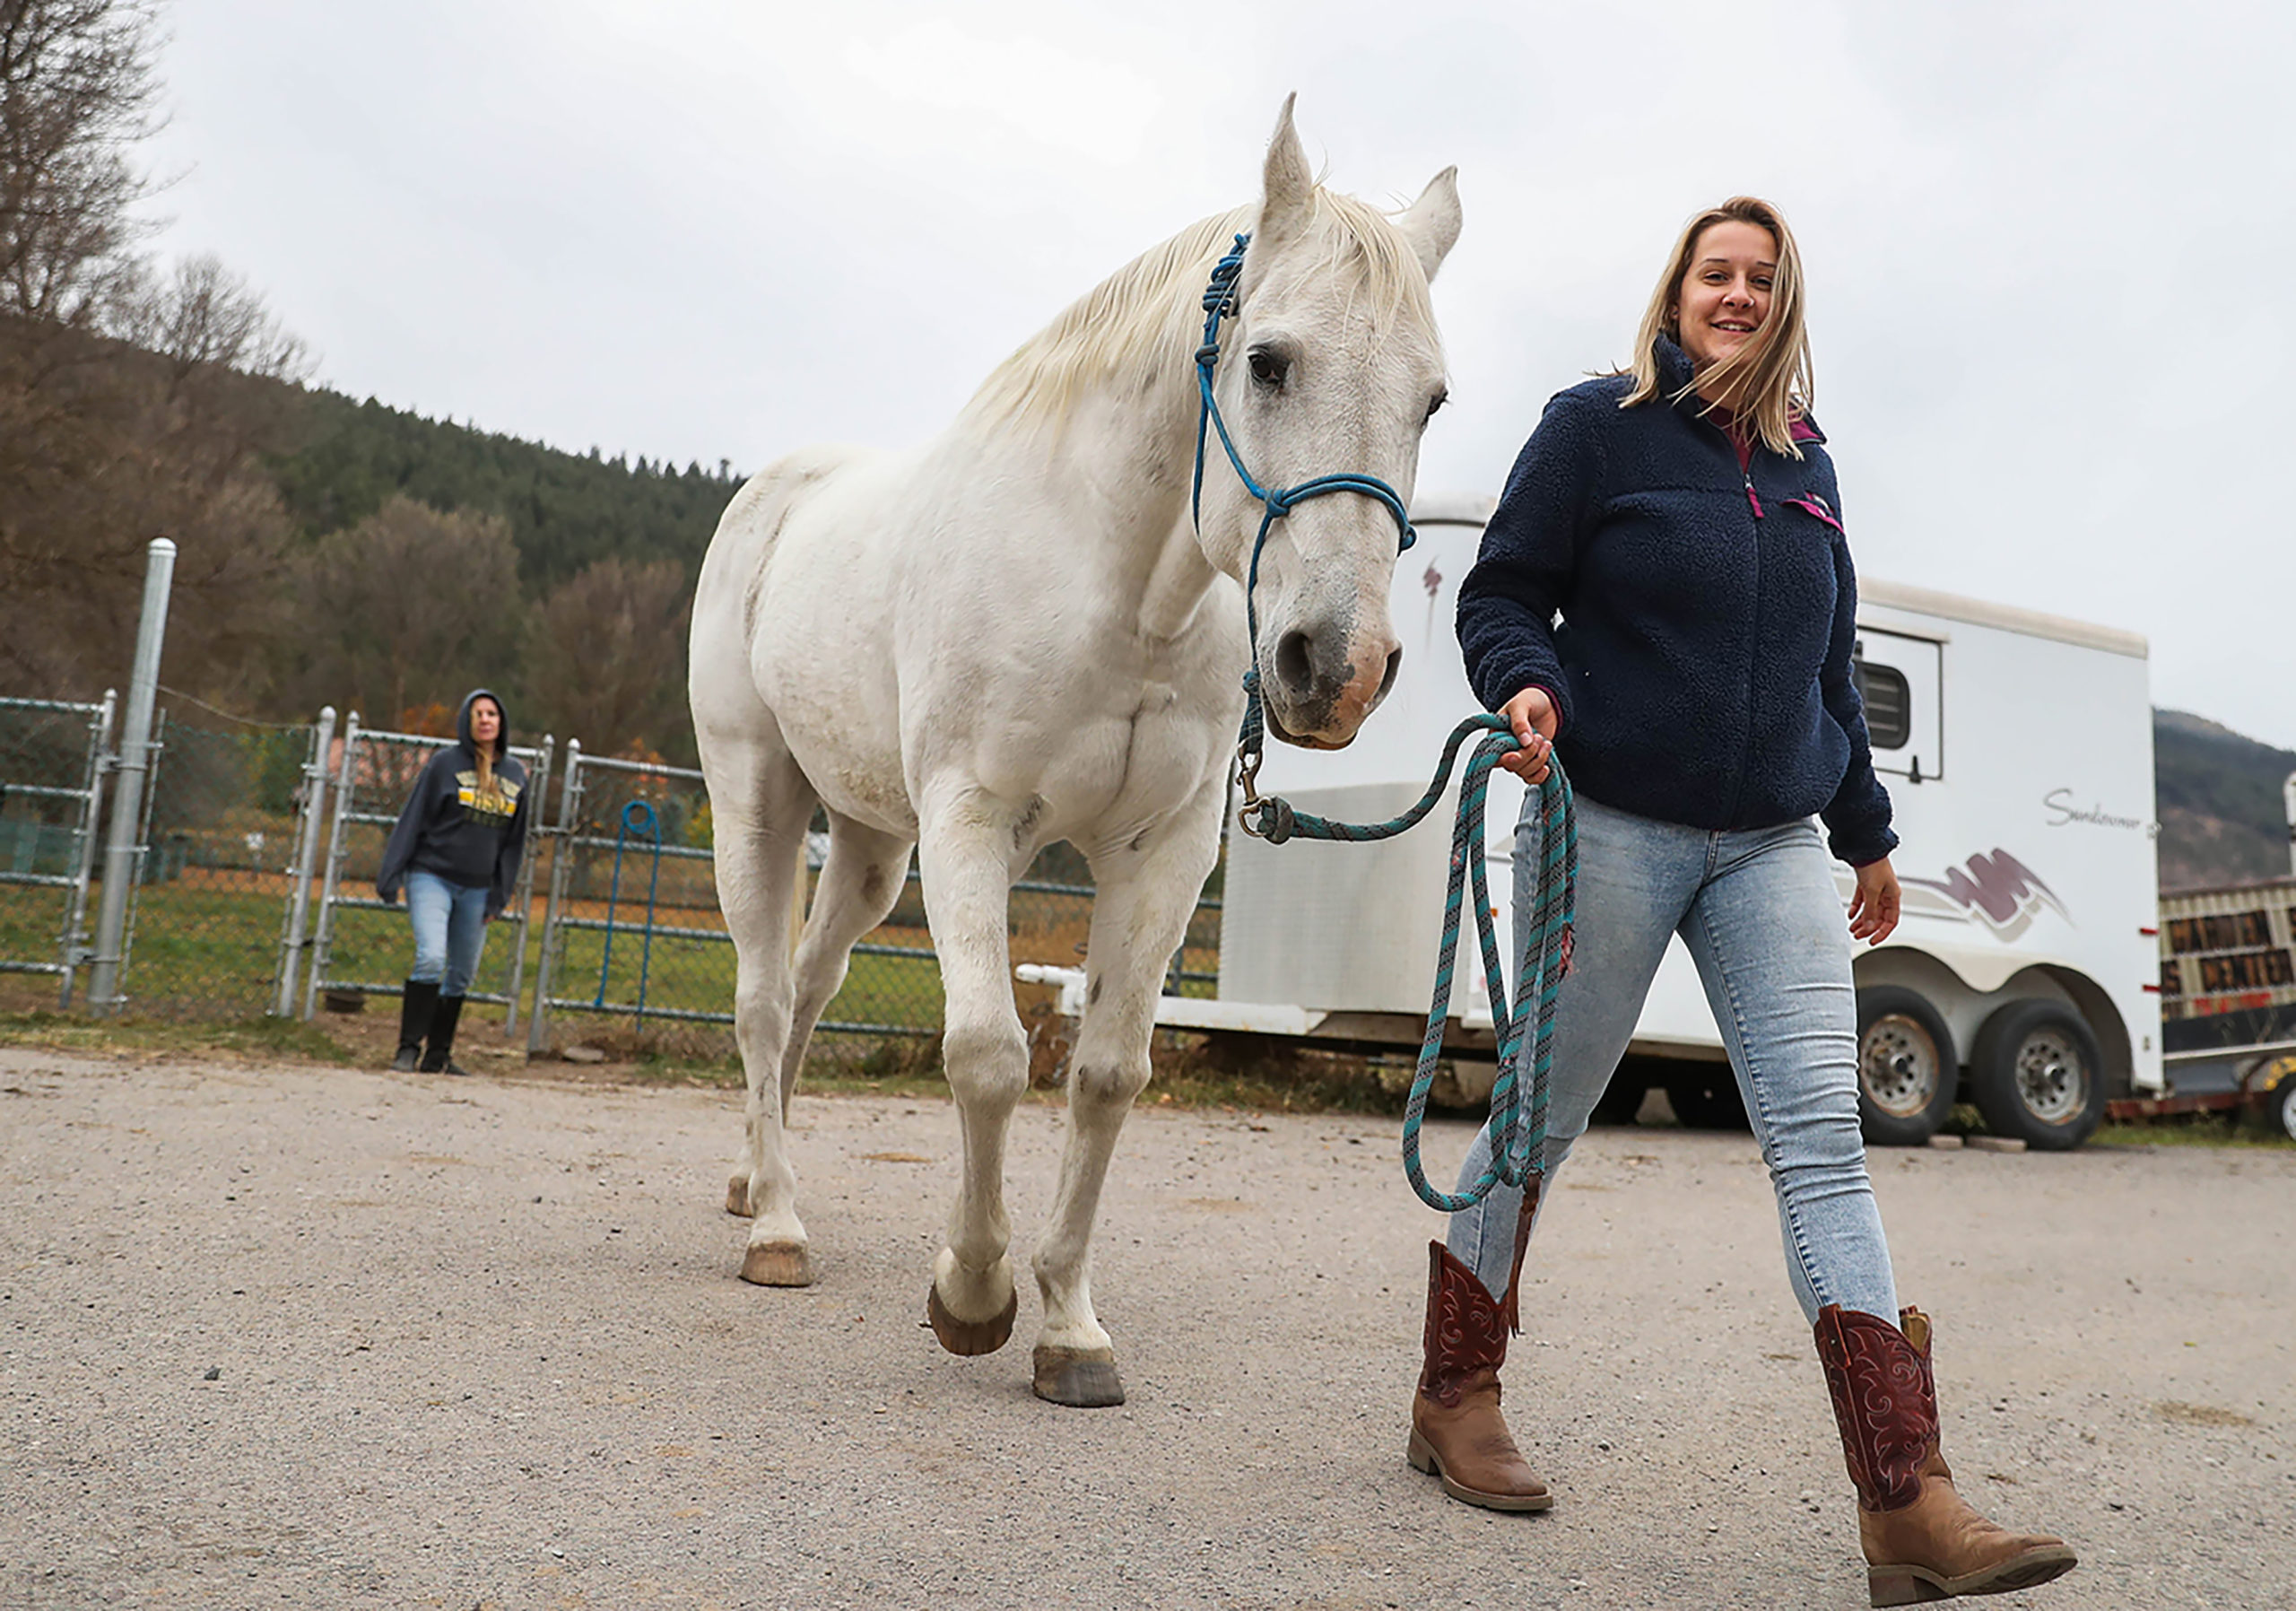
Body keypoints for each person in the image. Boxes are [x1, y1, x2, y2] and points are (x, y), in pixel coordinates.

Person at [1412, 198, 2075, 1605]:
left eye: (1762, 280)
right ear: (1678, 287)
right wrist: (1523, 680)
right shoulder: (1598, 426)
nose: (1738, 294)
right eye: (1717, 272)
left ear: (1785, 305)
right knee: (1539, 1116)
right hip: (1608, 821)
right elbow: (1504, 591)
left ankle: (1907, 1496)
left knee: (1824, 1146)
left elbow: (1832, 677)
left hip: (1773, 841)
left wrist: (1868, 834)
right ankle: (1454, 1389)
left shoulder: (1811, 463)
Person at [376, 690, 530, 1075]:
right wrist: (391, 872)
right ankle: (408, 1048)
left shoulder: (514, 775)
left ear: (501, 722)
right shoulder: (444, 765)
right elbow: (413, 818)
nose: (485, 720)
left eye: (492, 713)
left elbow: (514, 843)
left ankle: (438, 1056)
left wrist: (500, 895)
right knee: (431, 958)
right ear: (466, 720)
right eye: (477, 713)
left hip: (478, 888)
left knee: (461, 973)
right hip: (432, 877)